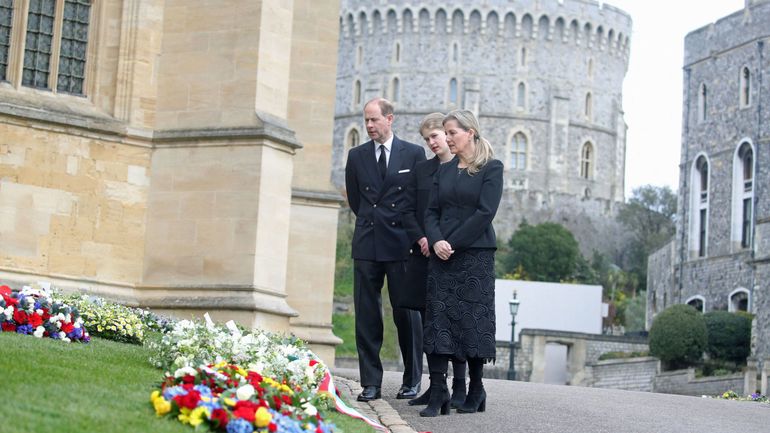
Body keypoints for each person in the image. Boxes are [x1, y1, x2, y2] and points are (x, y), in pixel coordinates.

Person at [421, 109, 503, 416]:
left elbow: (485, 213)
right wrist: (437, 240)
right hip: (442, 255)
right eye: (446, 132)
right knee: (440, 319)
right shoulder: (444, 171)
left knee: (472, 321)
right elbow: (431, 212)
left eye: (452, 132)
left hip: (475, 255)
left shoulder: (491, 168)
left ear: (470, 132)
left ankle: (477, 387)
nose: (448, 138)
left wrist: (451, 243)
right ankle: (439, 390)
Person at [345, 97, 425, 402]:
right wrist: (372, 220)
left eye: (374, 120)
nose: (368, 126)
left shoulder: (413, 154)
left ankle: (412, 380)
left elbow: (419, 201)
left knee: (406, 313)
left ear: (389, 119)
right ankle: (371, 383)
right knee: (367, 314)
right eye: (366, 120)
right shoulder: (357, 156)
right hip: (367, 241)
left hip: (402, 243)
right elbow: (356, 200)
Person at [401, 113, 467, 413]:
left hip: (452, 253)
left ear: (448, 135)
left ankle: (460, 386)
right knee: (430, 323)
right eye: (426, 139)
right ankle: (436, 385)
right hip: (424, 255)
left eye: (436, 136)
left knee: (455, 320)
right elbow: (408, 210)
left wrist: (442, 240)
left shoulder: (463, 168)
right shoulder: (421, 171)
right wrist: (421, 238)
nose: (431, 143)